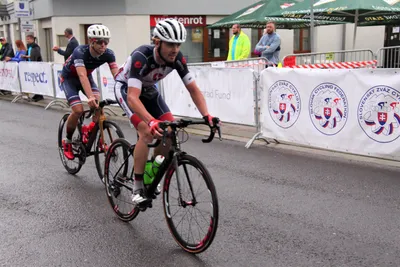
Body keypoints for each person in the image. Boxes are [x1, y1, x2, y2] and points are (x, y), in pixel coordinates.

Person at [114, 18, 216, 207]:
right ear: (157, 42)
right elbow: (133, 98)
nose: (175, 49)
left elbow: (193, 89)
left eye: (178, 44)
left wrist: (206, 116)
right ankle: (137, 187)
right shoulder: (141, 57)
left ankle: (151, 170)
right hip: (126, 90)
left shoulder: (177, 59)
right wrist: (151, 121)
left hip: (149, 90)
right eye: (170, 44)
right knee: (146, 131)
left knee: (169, 130)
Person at [60, 24, 119, 160]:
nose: (103, 45)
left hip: (87, 76)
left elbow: (117, 76)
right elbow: (81, 76)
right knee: (78, 110)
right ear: (92, 41)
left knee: (98, 106)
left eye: (106, 42)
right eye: (100, 42)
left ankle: (89, 129)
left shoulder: (109, 54)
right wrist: (90, 97)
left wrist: (127, 91)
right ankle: (67, 142)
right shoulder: (80, 51)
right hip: (70, 79)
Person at [22, 35, 44, 101]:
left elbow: (35, 56)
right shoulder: (29, 47)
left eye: (28, 39)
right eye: (26, 39)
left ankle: (40, 95)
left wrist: (27, 57)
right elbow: (28, 54)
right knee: (33, 81)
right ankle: (36, 94)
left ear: (32, 39)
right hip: (31, 65)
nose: (27, 41)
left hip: (36, 66)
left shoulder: (35, 47)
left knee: (37, 81)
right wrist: (25, 56)